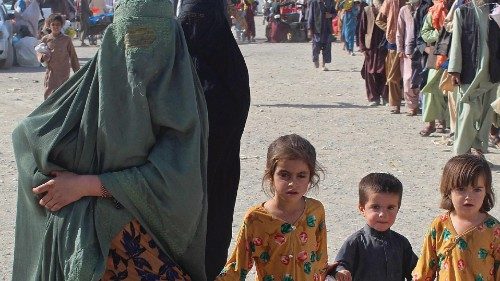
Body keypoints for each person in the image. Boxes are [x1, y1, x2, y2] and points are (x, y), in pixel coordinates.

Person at [11, 0, 209, 280]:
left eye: (151, 40)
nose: (140, 57)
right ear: (112, 42)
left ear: (172, 45)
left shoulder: (183, 108)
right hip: (88, 239)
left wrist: (86, 186)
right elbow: (27, 138)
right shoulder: (88, 95)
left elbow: (180, 186)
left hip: (147, 239)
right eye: (129, 39)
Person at [175, 0, 251, 278]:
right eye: (189, 24)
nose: (195, 31)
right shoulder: (170, 70)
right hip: (172, 180)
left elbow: (234, 119)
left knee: (210, 245)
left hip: (211, 173)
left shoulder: (229, 71)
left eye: (202, 21)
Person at [216, 134, 328, 280]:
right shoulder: (256, 218)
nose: (292, 183)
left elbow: (321, 260)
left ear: (310, 177)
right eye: (284, 175)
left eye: (301, 175)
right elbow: (238, 267)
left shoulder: (315, 211)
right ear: (270, 175)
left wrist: (337, 270)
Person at [412, 154, 500, 280]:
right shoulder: (440, 225)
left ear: (486, 191)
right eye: (461, 189)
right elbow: (425, 268)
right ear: (448, 191)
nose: (469, 196)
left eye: (477, 190)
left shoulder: (494, 230)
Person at [328, 172, 418, 281]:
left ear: (398, 208)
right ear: (362, 209)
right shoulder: (355, 242)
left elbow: (416, 271)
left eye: (390, 207)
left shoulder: (401, 243)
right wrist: (341, 272)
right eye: (375, 207)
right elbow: (339, 265)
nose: (383, 214)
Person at [448, 0, 500, 155]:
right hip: (469, 71)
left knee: (486, 114)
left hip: (491, 72)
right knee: (468, 111)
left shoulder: (496, 11)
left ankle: (479, 149)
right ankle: (461, 153)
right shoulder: (462, 12)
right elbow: (456, 41)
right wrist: (454, 70)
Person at [38, 14, 80, 99]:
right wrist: (42, 58)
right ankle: (47, 109)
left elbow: (73, 56)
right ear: (49, 26)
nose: (55, 27)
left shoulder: (66, 39)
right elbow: (39, 51)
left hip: (64, 71)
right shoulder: (45, 39)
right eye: (53, 24)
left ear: (61, 25)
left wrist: (77, 72)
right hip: (51, 71)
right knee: (48, 91)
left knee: (63, 93)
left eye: (58, 25)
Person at [375, 0, 406, 113]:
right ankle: (395, 103)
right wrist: (390, 29)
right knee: (393, 76)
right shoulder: (389, 2)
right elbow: (379, 20)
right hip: (393, 42)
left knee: (411, 77)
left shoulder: (412, 3)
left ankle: (414, 105)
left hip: (410, 42)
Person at [358, 0, 389, 106]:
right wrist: (362, 47)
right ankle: (373, 97)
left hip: (385, 45)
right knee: (370, 73)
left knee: (385, 72)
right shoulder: (367, 10)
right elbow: (362, 30)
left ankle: (385, 97)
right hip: (370, 47)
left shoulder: (388, 9)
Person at [396, 0, 420, 115]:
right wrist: (400, 49)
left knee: (421, 78)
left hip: (423, 49)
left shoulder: (425, 7)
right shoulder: (404, 10)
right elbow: (399, 31)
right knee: (408, 79)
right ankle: (412, 105)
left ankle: (421, 105)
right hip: (408, 51)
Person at [307, 0, 336, 70]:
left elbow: (335, 13)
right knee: (316, 47)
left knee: (327, 48)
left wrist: (331, 15)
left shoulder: (330, 2)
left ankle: (324, 64)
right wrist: (310, 30)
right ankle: (316, 60)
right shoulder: (314, 3)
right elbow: (310, 17)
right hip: (317, 29)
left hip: (327, 29)